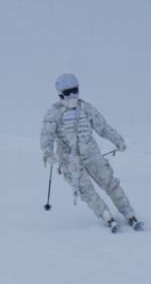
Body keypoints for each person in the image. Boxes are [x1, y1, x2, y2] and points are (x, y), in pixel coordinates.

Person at [40, 73, 143, 232]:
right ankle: (105, 215)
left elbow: (102, 127)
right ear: (60, 93)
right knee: (85, 189)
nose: (72, 95)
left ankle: (128, 212)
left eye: (75, 91)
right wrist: (48, 153)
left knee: (109, 182)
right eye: (68, 92)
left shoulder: (85, 108)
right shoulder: (54, 112)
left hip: (91, 153)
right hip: (69, 158)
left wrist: (117, 140)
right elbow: (47, 135)